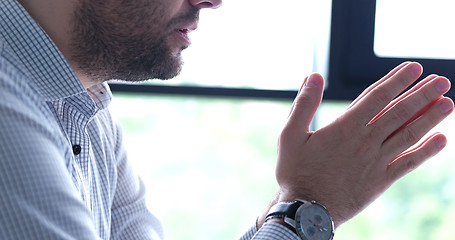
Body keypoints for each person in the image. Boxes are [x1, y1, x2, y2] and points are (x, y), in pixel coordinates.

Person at [0, 0, 453, 239]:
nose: (213, 0)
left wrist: (296, 206)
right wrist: (310, 208)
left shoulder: (84, 101)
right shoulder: (8, 108)